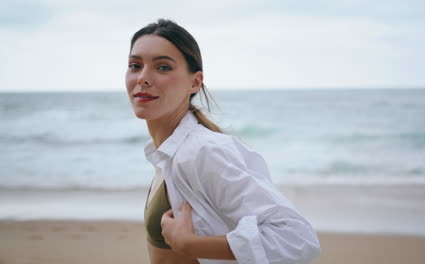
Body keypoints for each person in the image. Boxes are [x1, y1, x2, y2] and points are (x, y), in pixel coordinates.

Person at [125, 18, 321, 264]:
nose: (143, 77)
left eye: (163, 67)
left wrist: (190, 245)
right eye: (135, 65)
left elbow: (296, 238)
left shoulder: (201, 151)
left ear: (195, 82)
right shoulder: (167, 154)